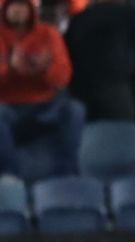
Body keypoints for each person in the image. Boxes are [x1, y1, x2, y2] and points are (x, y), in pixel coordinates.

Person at [0, 0, 84, 177]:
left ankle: (68, 173)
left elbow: (62, 77)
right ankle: (8, 176)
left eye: (22, 5)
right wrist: (10, 68)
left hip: (44, 106)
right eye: (13, 5)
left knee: (74, 110)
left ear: (30, 9)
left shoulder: (49, 34)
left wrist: (43, 69)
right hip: (7, 106)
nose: (17, 10)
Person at [65, 0, 135, 121]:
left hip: (81, 88)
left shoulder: (79, 18)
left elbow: (68, 54)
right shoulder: (128, 15)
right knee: (123, 128)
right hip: (116, 87)